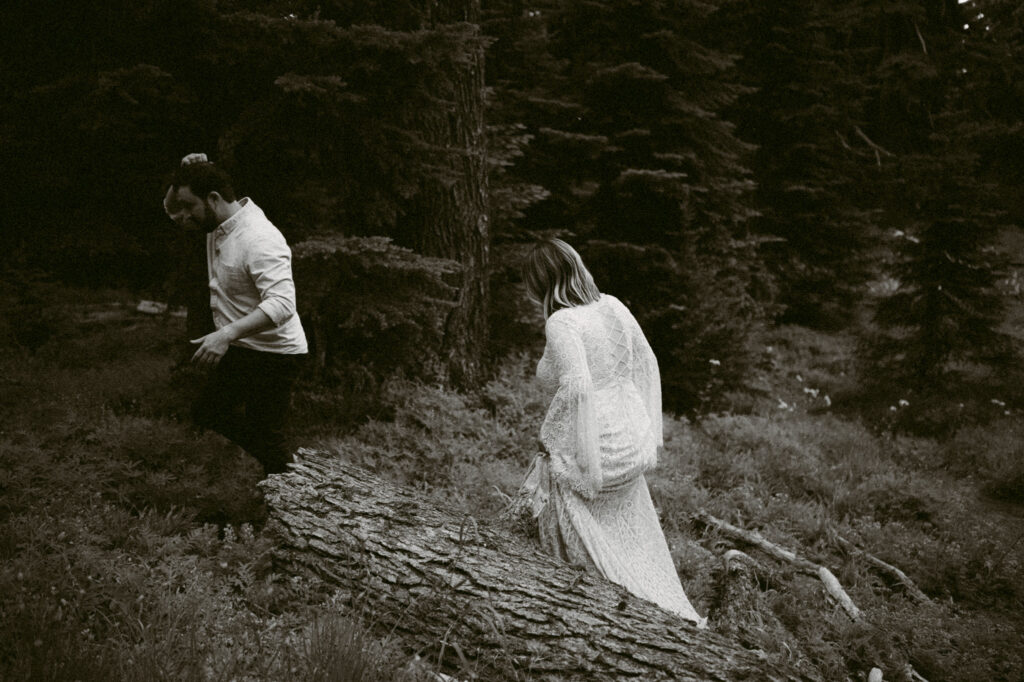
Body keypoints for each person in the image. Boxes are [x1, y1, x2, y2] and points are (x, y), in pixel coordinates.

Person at [514, 238, 705, 626]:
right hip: (629, 441)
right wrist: (644, 425)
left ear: (540, 282)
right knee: (613, 515)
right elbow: (645, 359)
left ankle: (566, 594)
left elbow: (577, 387)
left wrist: (551, 436)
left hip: (601, 450)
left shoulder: (562, 322)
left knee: (550, 473)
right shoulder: (612, 305)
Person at [162, 153, 307, 476]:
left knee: (266, 436)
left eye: (189, 207)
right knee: (209, 412)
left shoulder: (259, 238)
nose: (182, 217)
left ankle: (295, 484)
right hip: (243, 345)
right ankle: (286, 468)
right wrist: (184, 172)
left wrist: (225, 334)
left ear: (213, 199)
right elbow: (168, 208)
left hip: (276, 354)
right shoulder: (219, 221)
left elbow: (283, 304)